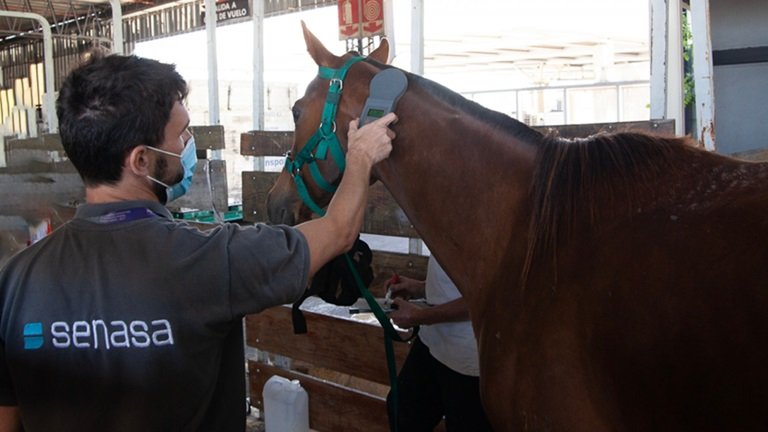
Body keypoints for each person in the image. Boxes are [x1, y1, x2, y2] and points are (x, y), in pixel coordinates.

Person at [0, 53, 396, 431]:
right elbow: (339, 230)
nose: (188, 143)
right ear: (141, 161)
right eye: (182, 132)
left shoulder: (16, 279)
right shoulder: (207, 262)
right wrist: (360, 156)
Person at [386, 255, 493, 432]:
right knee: (402, 412)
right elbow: (459, 280)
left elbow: (488, 296)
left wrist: (419, 317)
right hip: (433, 342)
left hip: (469, 359)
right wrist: (421, 287)